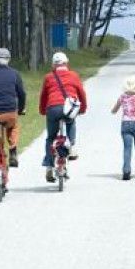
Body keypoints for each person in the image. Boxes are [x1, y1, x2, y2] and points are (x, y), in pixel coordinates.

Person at [39, 51, 88, 182]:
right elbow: (81, 94)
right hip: (68, 108)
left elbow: (43, 96)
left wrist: (43, 111)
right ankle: (71, 147)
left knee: (50, 137)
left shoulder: (48, 77)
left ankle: (49, 166)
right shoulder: (73, 75)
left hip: (53, 108)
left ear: (53, 65)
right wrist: (82, 109)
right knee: (71, 122)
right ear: (66, 63)